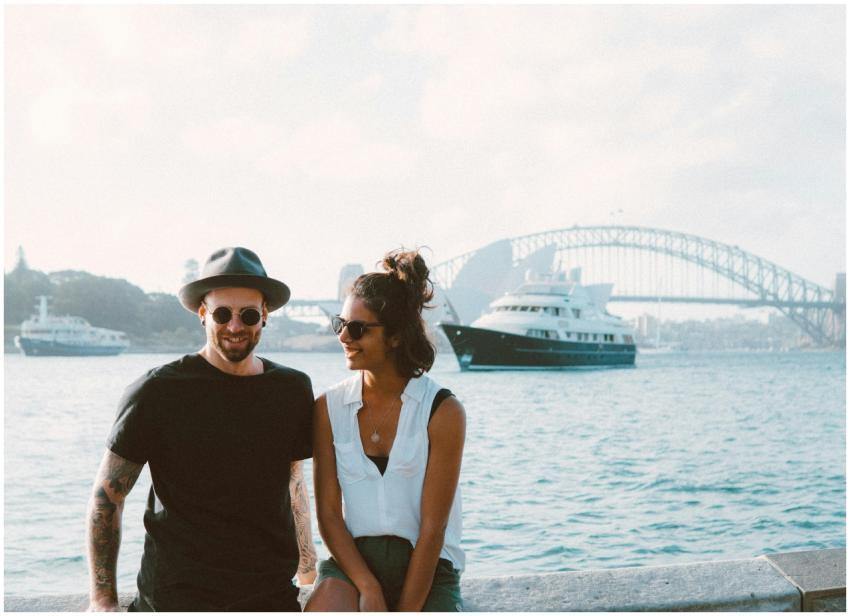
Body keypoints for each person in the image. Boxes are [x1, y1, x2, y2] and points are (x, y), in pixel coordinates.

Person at [85, 247, 317, 612]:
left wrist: (308, 572)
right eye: (222, 314)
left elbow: (294, 484)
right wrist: (102, 601)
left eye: (248, 314)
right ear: (203, 313)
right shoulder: (156, 391)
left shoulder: (292, 389)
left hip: (269, 597)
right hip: (176, 600)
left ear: (265, 315)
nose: (235, 326)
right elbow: (107, 498)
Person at [306, 249, 466, 612]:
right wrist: (368, 587)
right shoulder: (328, 409)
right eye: (340, 324)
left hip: (429, 568)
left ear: (394, 336)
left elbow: (433, 529)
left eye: (357, 328)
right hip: (353, 565)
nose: (344, 336)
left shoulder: (442, 411)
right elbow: (329, 515)